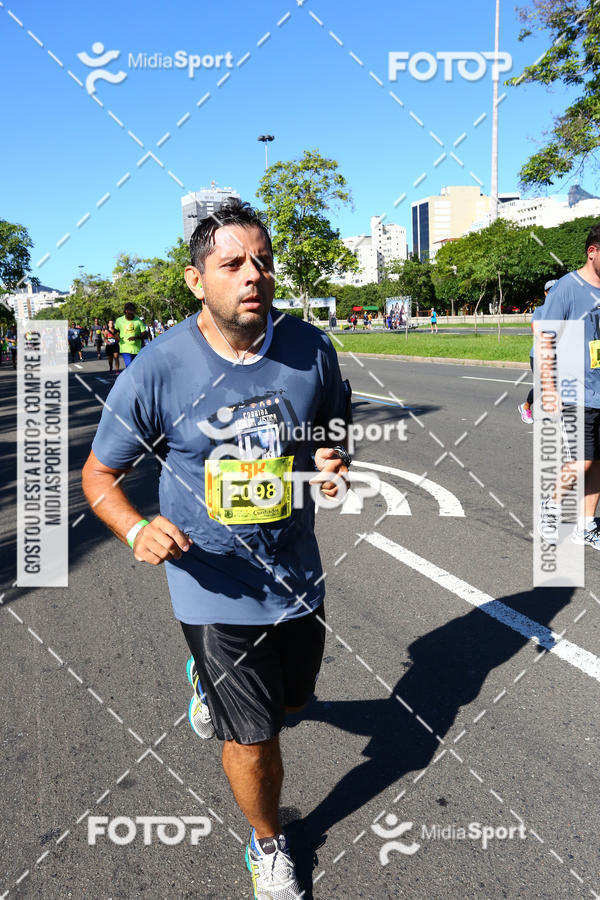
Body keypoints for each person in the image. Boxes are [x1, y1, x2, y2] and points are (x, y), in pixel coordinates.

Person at [81, 200, 351, 898]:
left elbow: (331, 423)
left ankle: (205, 683)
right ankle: (268, 844)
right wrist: (138, 529)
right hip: (210, 585)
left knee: (294, 706)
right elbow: (99, 475)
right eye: (232, 264)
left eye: (262, 261)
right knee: (256, 737)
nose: (252, 275)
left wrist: (331, 457)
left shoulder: (310, 346)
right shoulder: (158, 368)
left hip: (296, 576)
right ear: (196, 279)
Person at [537, 225, 600, 547]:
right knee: (582, 460)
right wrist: (548, 387)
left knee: (597, 461)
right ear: (593, 252)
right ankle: (550, 508)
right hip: (576, 388)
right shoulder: (567, 287)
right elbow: (546, 337)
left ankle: (586, 525)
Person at [518, 280, 556, 424]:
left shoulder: (565, 309)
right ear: (546, 293)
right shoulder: (541, 310)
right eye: (550, 290)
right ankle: (526, 406)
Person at [114, 303, 148, 367]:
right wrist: (116, 336)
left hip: (137, 349)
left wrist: (136, 337)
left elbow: (145, 334)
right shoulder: (119, 320)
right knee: (129, 366)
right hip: (125, 348)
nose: (133, 313)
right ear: (126, 311)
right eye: (131, 311)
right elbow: (116, 331)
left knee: (136, 367)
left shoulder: (138, 321)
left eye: (134, 311)